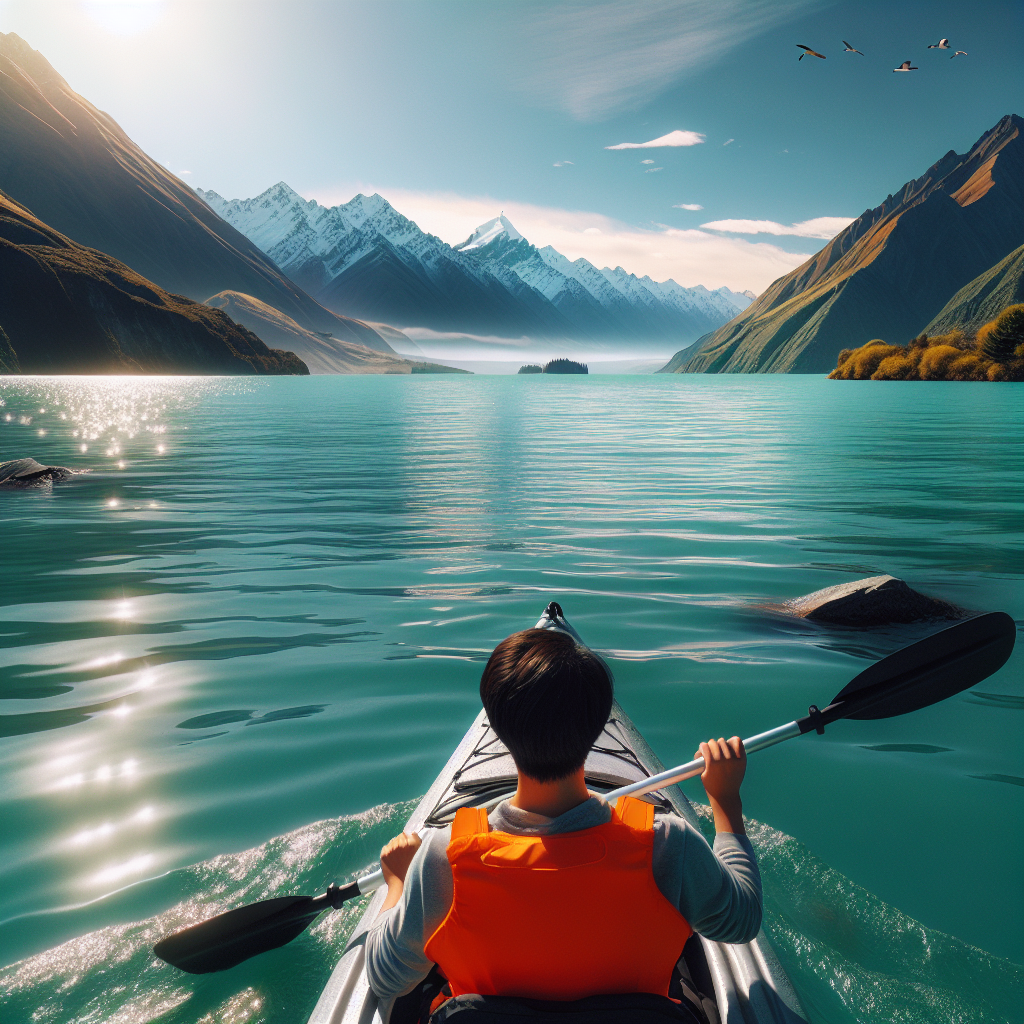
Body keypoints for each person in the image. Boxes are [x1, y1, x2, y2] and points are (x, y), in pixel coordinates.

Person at [365, 627, 761, 1020]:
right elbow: (742, 920)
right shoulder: (669, 845)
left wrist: (398, 883)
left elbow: (385, 979)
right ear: (598, 725)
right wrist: (726, 801)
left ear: (497, 728)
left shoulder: (442, 857)